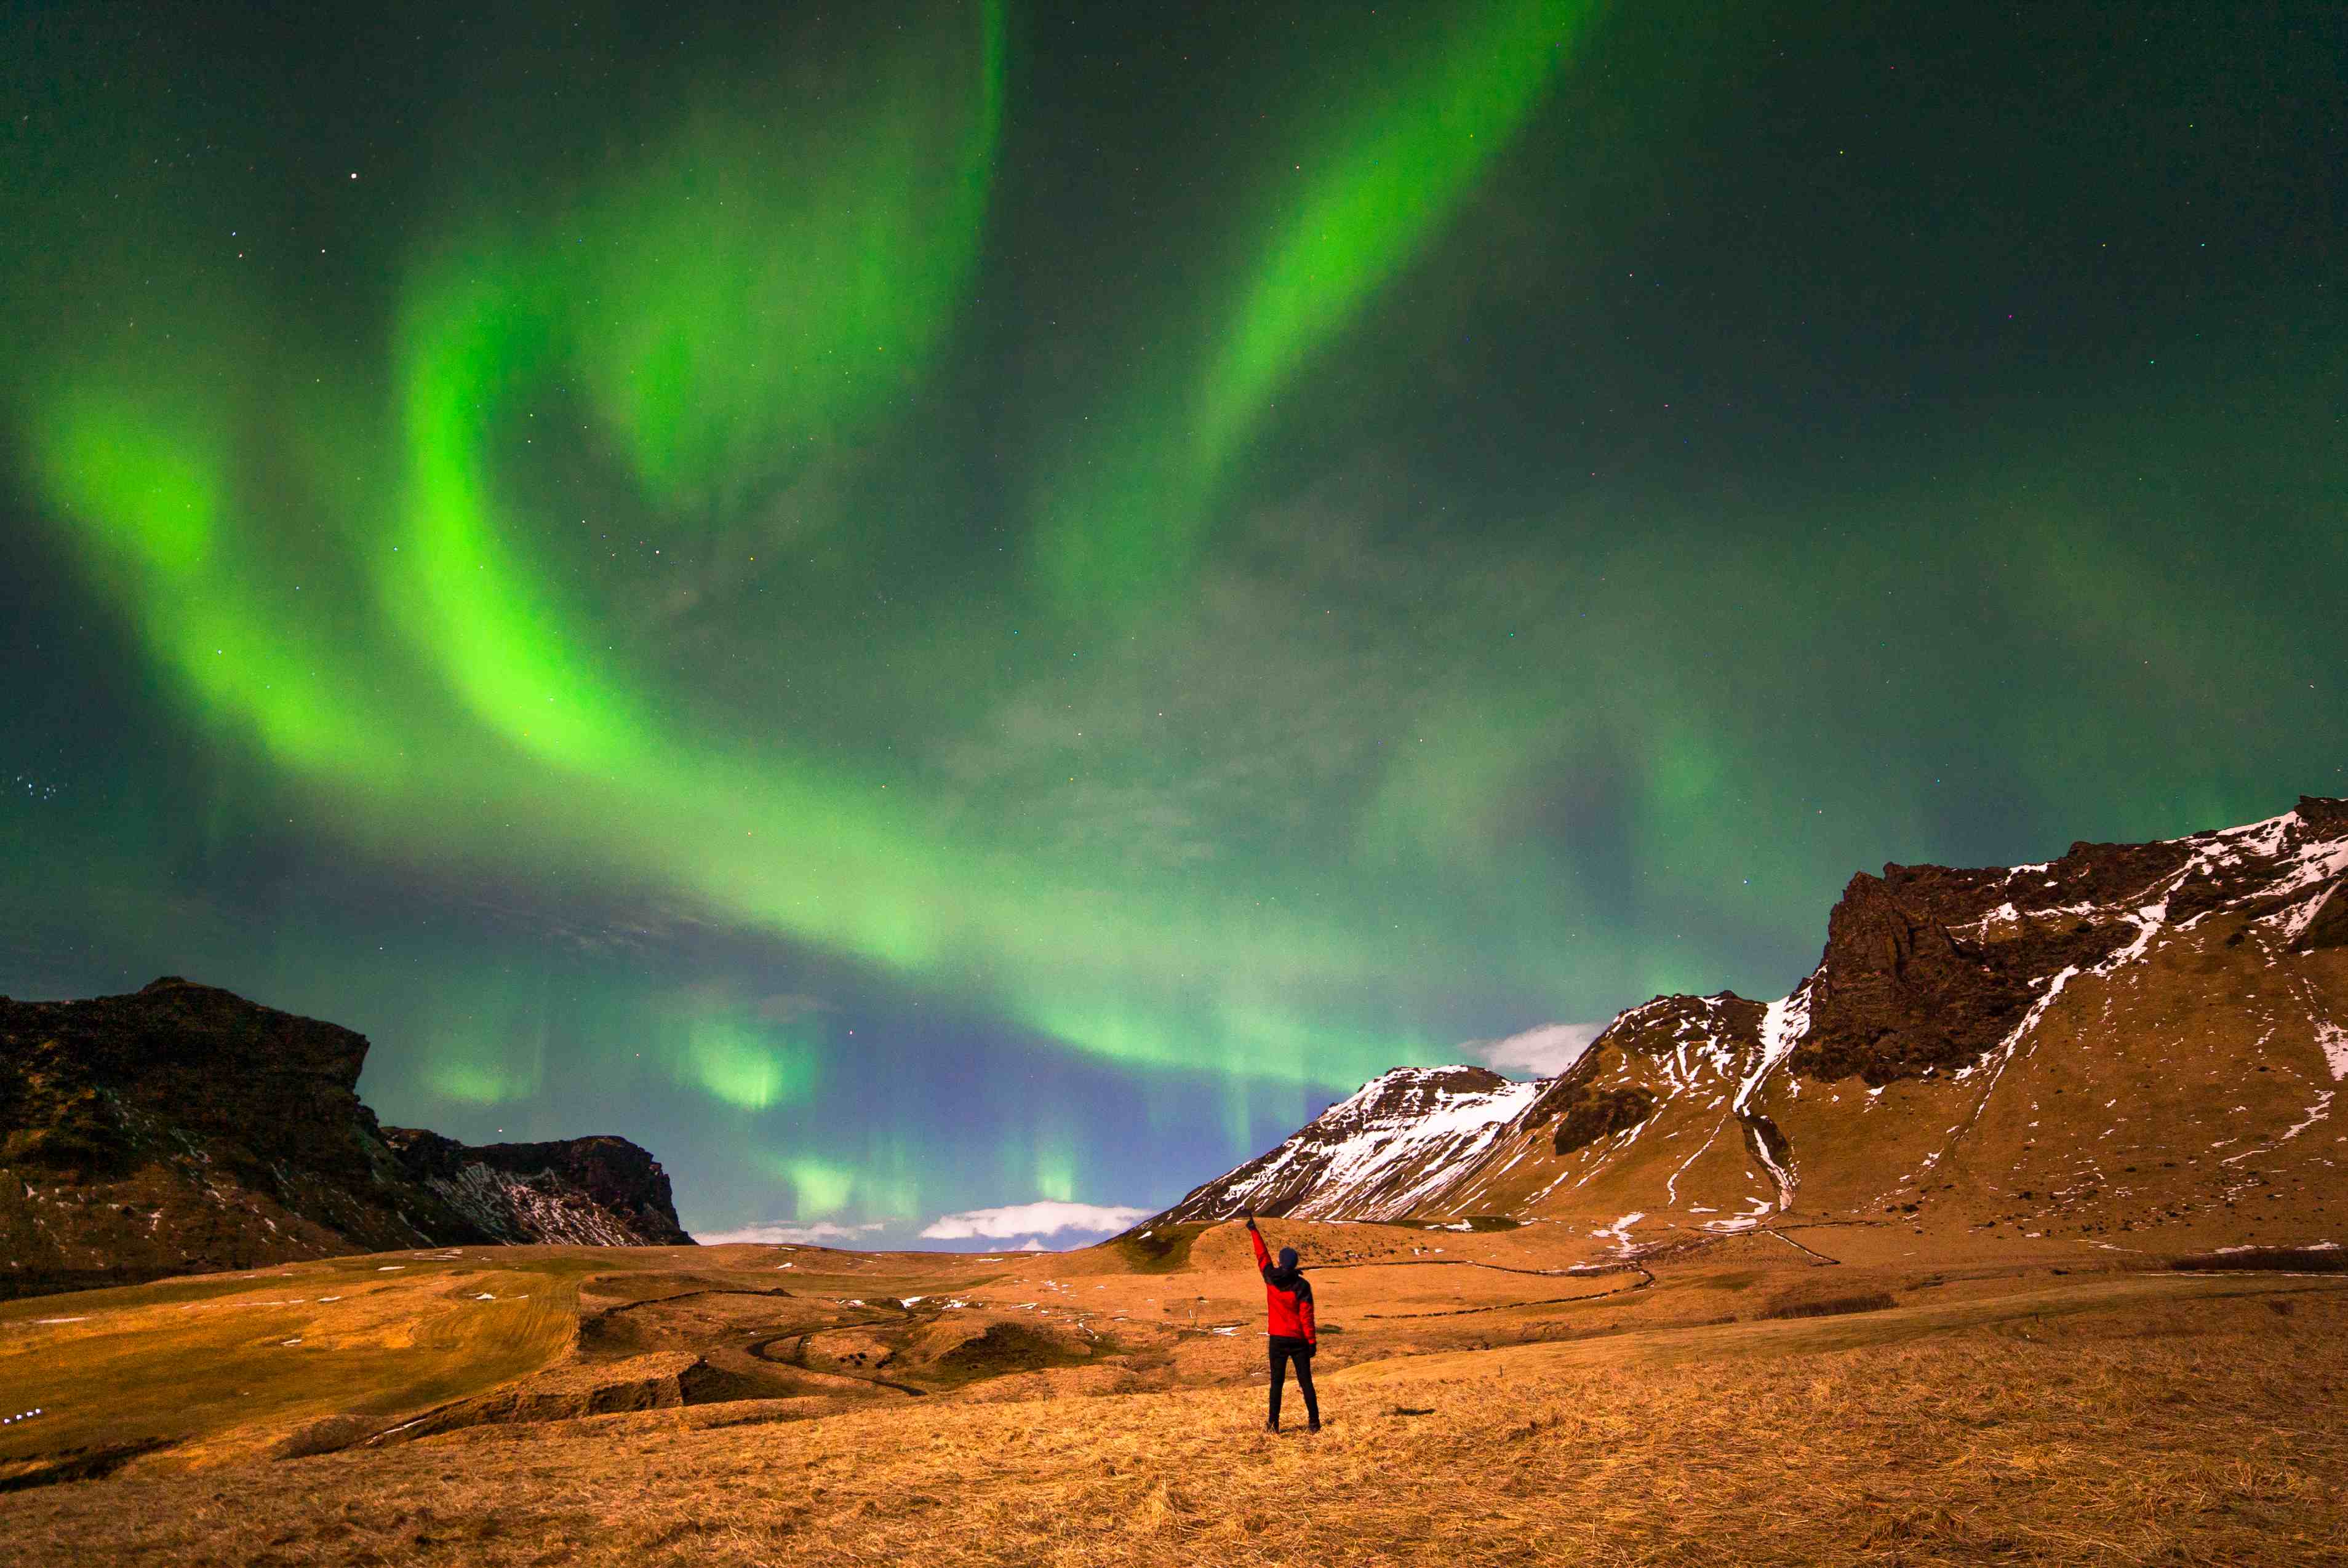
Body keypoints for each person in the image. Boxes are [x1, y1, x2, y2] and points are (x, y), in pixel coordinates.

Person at [1244, 1213, 1319, 1432]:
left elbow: (1262, 1256)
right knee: (1306, 1383)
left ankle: (1273, 1425)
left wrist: (1254, 1231)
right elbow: (1307, 1317)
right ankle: (1314, 1423)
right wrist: (1312, 1342)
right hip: (1299, 1341)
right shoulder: (1302, 1286)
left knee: (1277, 1383)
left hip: (1277, 1339)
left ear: (1280, 1262)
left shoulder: (1270, 1279)